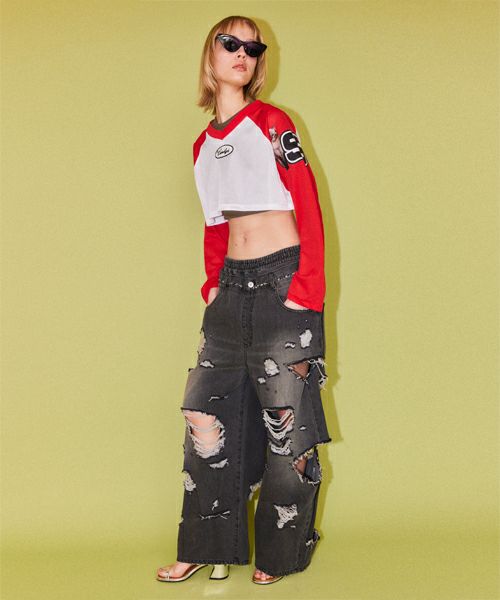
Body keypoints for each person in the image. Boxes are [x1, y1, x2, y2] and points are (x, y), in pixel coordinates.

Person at [157, 14, 331, 586]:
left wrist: (308, 286)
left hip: (283, 282)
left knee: (287, 424)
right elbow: (215, 225)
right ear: (210, 57)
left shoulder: (273, 123)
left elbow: (306, 201)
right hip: (230, 290)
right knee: (205, 417)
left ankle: (281, 553)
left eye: (252, 48)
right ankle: (205, 544)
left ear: (258, 63)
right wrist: (212, 284)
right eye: (229, 43)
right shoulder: (202, 147)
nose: (242, 54)